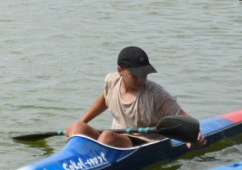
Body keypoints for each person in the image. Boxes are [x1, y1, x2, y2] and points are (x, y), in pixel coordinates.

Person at [65, 46, 203, 148]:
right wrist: (82, 122)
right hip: (117, 136)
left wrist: (192, 137)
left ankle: (92, 164)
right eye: (135, 75)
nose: (141, 80)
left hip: (145, 142)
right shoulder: (111, 80)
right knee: (78, 129)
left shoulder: (156, 94)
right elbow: (105, 99)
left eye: (144, 75)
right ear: (120, 70)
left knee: (107, 137)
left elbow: (184, 117)